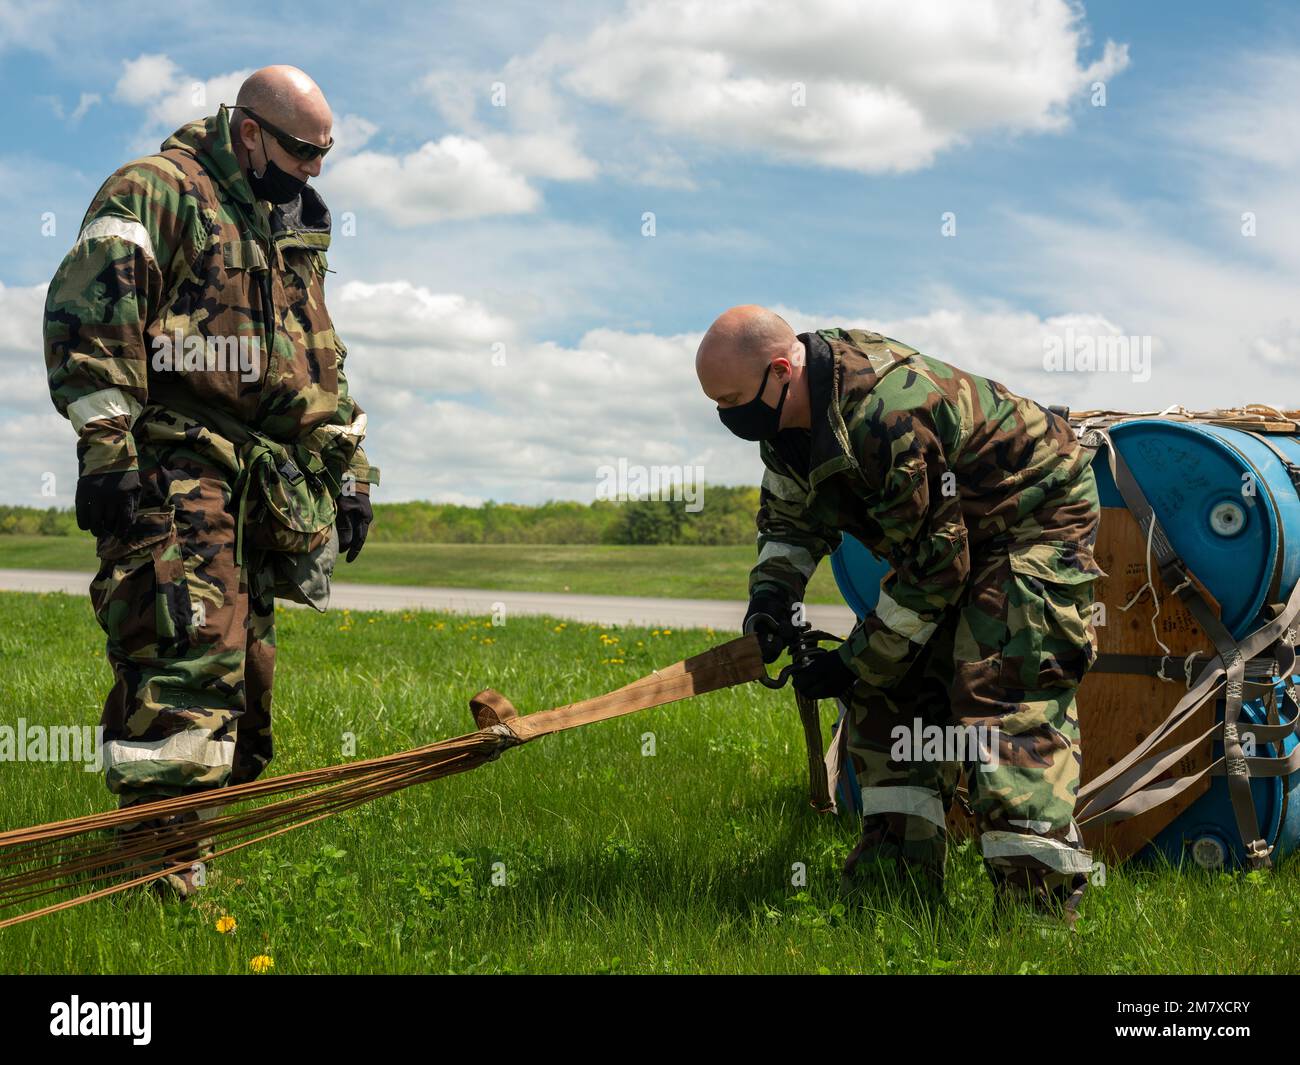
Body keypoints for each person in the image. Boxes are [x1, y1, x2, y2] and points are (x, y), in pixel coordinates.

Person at [42, 65, 378, 896]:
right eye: (303, 150)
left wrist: (350, 470)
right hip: (171, 467)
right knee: (184, 667)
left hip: (255, 488)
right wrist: (107, 449)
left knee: (248, 686)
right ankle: (155, 876)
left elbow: (315, 363)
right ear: (251, 130)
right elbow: (94, 312)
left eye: (326, 155)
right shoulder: (158, 191)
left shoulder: (282, 225)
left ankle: (192, 851)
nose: (315, 171)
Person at [696, 305, 1102, 925]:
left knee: (999, 690)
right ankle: (897, 883)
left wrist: (851, 663)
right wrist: (771, 599)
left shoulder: (885, 414)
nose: (729, 418)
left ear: (781, 370)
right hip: (947, 538)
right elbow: (788, 521)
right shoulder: (785, 425)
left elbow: (937, 571)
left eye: (733, 402)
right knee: (892, 689)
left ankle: (1037, 914)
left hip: (1031, 517)